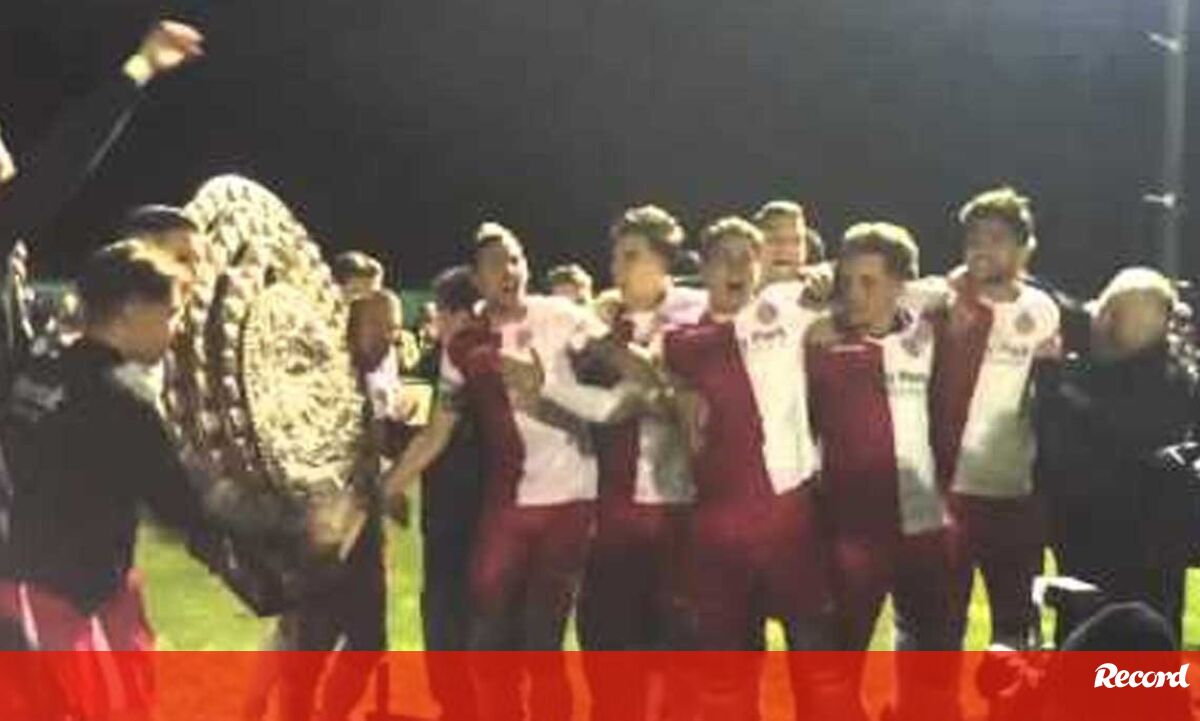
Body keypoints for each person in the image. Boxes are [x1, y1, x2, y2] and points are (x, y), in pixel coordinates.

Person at [0, 241, 333, 716]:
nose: (175, 330)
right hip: (67, 599)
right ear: (133, 309)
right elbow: (190, 502)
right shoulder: (119, 396)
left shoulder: (39, 371)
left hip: (52, 582)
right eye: (171, 313)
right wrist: (297, 520)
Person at [383, 222, 652, 721]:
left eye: (515, 259)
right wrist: (386, 487)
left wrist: (653, 375)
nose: (508, 270)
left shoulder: (561, 315)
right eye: (494, 263)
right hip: (507, 506)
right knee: (486, 635)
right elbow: (437, 432)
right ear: (477, 279)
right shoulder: (464, 346)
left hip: (570, 500)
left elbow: (622, 361)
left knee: (542, 642)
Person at [661, 217, 840, 721]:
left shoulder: (786, 307)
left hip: (790, 517)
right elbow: (651, 363)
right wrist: (673, 391)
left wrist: (823, 277)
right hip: (719, 529)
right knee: (730, 673)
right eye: (724, 258)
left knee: (814, 660)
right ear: (703, 268)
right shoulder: (682, 338)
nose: (737, 267)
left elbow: (855, 287)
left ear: (762, 265)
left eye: (747, 256)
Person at [806, 222, 958, 719]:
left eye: (868, 282)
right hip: (852, 530)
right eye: (847, 281)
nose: (854, 293)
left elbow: (948, 289)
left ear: (899, 284)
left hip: (924, 524)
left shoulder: (926, 331)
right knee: (839, 667)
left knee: (931, 662)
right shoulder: (820, 342)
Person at [578, 205, 706, 721]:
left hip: (680, 504)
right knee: (607, 638)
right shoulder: (599, 320)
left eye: (631, 256)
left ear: (663, 261)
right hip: (613, 507)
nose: (618, 267)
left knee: (677, 643)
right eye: (615, 256)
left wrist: (634, 367)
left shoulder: (696, 314)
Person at [932, 187, 1061, 649]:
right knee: (938, 624)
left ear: (1025, 248)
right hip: (946, 492)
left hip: (1014, 492)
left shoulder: (1041, 310)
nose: (981, 248)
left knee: (1015, 625)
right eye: (973, 238)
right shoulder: (942, 300)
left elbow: (1048, 394)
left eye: (996, 238)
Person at [1039, 268, 1196, 644]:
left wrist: (1051, 384)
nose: (1103, 322)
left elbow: (1114, 437)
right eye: (1106, 310)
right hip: (1089, 538)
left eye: (1117, 315)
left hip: (1138, 542)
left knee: (1137, 640)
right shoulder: (1097, 370)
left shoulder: (1167, 382)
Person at [418, 266, 485, 721]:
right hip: (449, 514)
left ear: (458, 314)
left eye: (440, 312)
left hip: (473, 514)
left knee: (457, 614)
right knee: (447, 615)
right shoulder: (431, 364)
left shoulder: (476, 364)